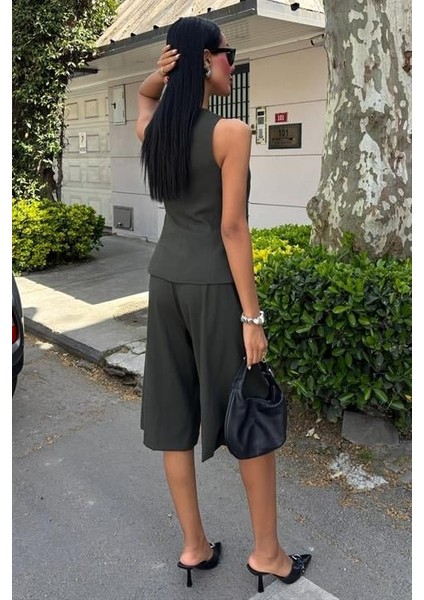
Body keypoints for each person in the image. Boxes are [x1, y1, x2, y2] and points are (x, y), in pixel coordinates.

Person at [135, 16, 311, 594]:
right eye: (226, 54)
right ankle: (268, 554)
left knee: (173, 418)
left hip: (164, 280)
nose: (231, 63)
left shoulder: (158, 131)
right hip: (213, 287)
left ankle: (194, 547)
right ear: (205, 60)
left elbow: (143, 102)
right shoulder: (230, 131)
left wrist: (156, 77)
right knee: (248, 409)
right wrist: (252, 317)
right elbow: (233, 229)